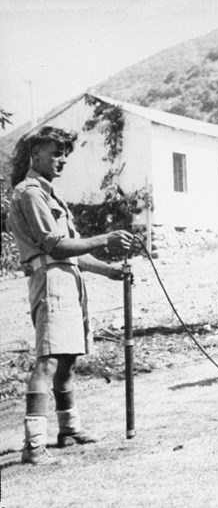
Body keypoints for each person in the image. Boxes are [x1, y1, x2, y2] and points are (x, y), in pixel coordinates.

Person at [8, 126, 134, 465]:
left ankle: (69, 429)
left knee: (67, 361)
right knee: (49, 360)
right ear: (35, 154)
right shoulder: (31, 193)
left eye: (65, 153)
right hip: (50, 280)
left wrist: (109, 270)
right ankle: (34, 446)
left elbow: (72, 251)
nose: (62, 159)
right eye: (56, 152)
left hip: (67, 277)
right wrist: (105, 238)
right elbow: (54, 246)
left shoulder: (51, 196)